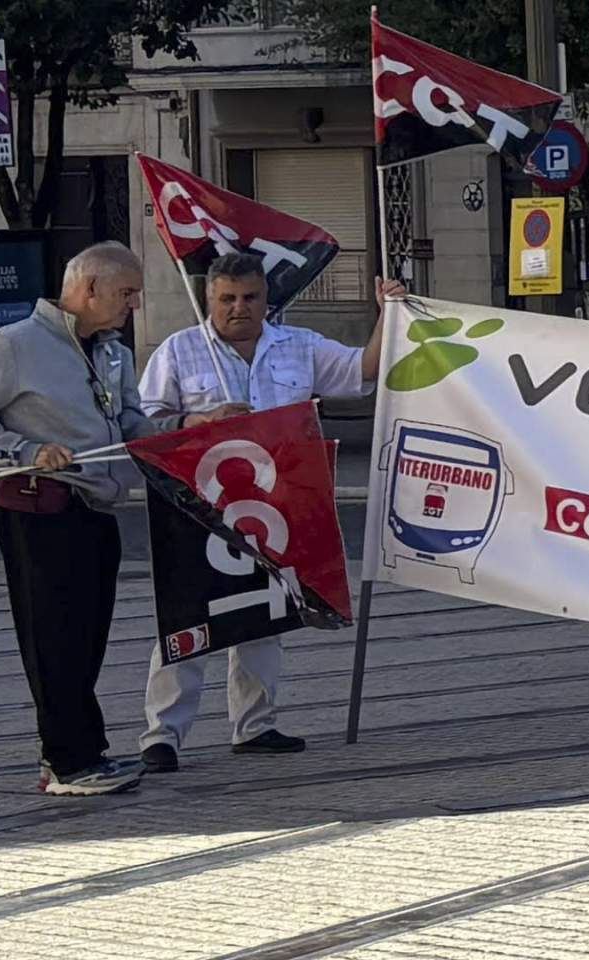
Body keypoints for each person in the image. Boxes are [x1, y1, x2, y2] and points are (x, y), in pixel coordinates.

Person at [0, 242, 241, 795]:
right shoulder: (16, 343)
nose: (134, 305)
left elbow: (129, 423)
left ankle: (81, 752)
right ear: (89, 288)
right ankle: (67, 762)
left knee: (86, 637)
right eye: (126, 293)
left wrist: (190, 425)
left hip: (96, 507)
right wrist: (25, 451)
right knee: (52, 637)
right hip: (39, 505)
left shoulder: (112, 352)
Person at [135, 252, 404, 772]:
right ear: (209, 298)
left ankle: (255, 725)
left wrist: (388, 314)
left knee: (265, 614)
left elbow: (363, 369)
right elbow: (145, 422)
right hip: (198, 505)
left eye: (250, 297)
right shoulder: (179, 350)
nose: (239, 307)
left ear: (265, 298)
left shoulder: (298, 345)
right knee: (188, 616)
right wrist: (198, 420)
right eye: (227, 299)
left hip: (275, 502)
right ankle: (162, 735)